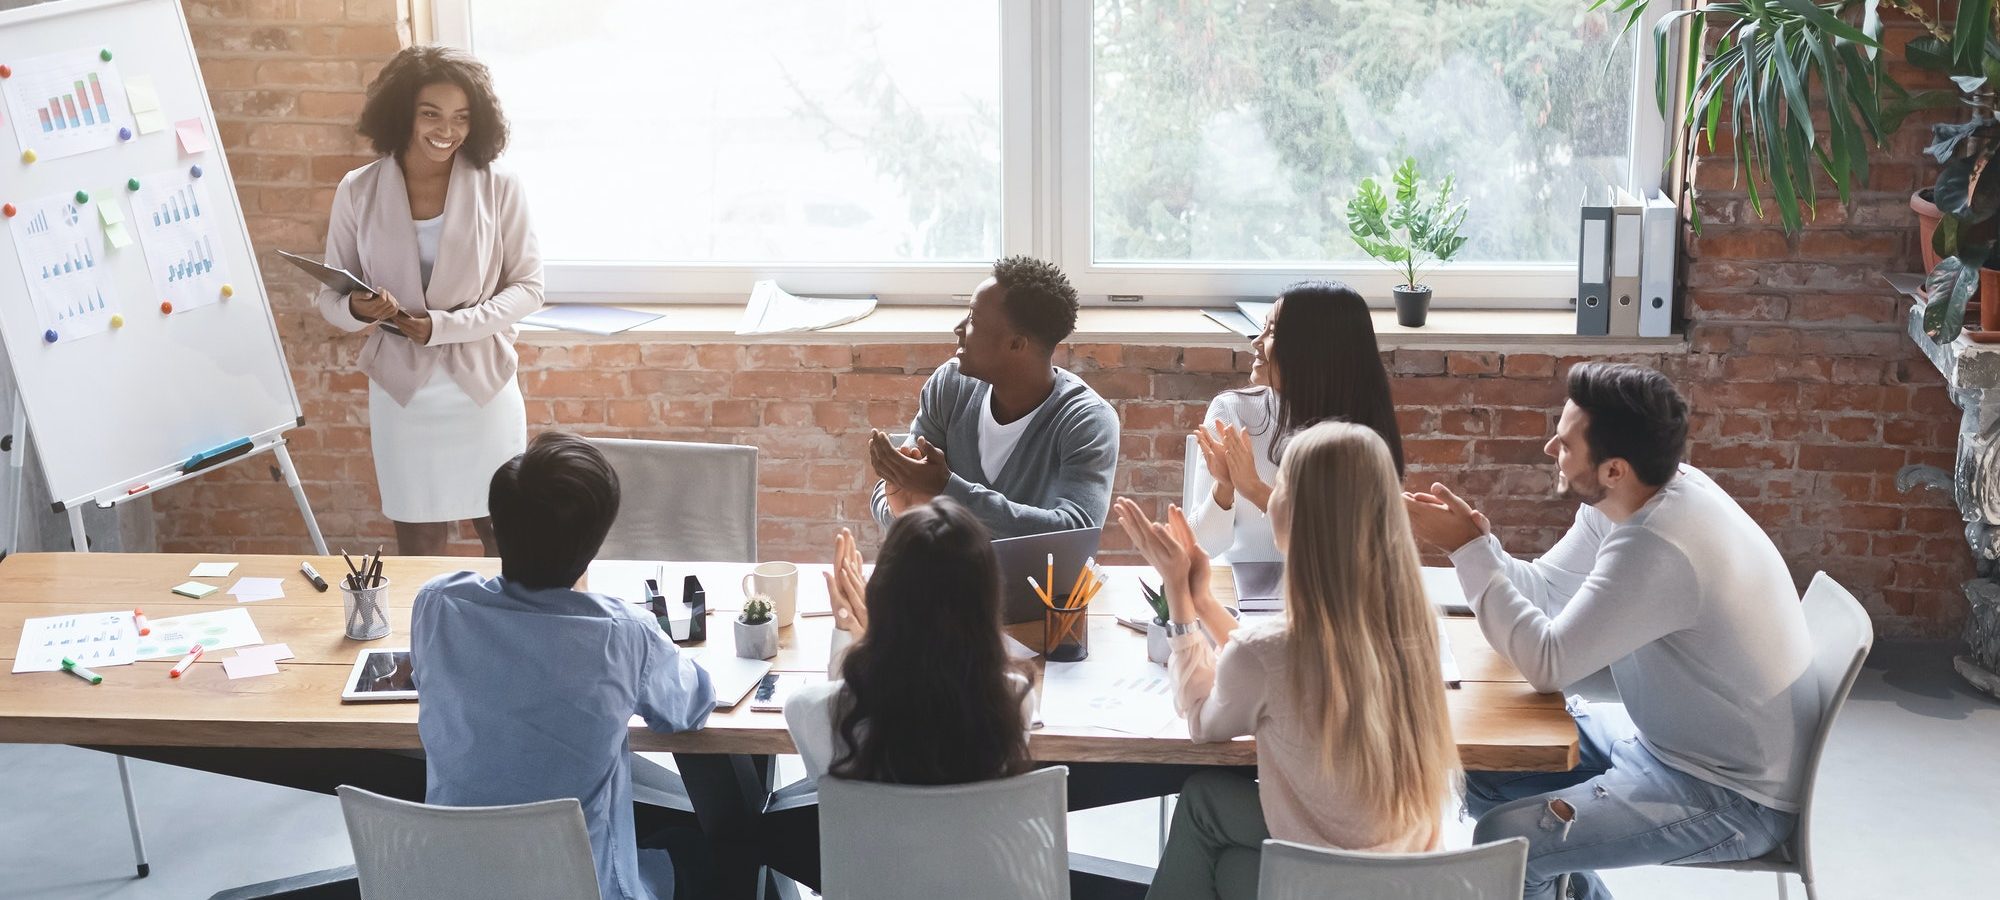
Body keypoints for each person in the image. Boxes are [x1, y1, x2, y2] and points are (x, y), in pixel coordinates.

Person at [1404, 363, 1814, 900]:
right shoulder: (1636, 496)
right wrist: (1485, 549)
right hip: (1668, 745)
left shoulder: (1658, 546)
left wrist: (1465, 552)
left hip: (1729, 794)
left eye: (1567, 443)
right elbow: (1549, 589)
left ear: (1613, 469)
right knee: (1483, 773)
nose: (1551, 446)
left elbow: (1548, 664)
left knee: (1509, 844)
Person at [1119, 421, 1458, 900]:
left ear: (1300, 516)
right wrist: (1207, 603)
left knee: (1202, 800)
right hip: (1398, 875)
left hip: (1323, 875)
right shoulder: (1413, 626)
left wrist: (1178, 597)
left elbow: (1202, 718)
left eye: (1281, 485)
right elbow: (1281, 666)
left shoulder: (1269, 653)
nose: (1270, 495)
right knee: (1230, 854)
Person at [412, 431, 713, 900]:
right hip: (581, 888)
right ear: (594, 543)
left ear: (492, 526)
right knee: (698, 844)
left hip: (455, 884)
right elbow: (692, 708)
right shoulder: (624, 635)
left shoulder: (436, 604)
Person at [315, 45, 543, 557]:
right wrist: (357, 309)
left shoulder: (500, 186)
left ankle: (503, 634)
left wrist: (441, 327)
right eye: (431, 114)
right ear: (403, 113)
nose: (447, 130)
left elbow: (529, 288)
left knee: (503, 532)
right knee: (418, 538)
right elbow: (329, 296)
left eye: (462, 118)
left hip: (481, 386)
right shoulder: (358, 190)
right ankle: (432, 635)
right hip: (403, 392)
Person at [785, 498, 1034, 783]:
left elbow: (833, 725)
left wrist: (854, 636)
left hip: (868, 829)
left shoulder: (804, 709)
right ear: (988, 604)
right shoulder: (1015, 700)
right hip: (964, 829)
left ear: (880, 593)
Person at [868, 256, 1118, 539]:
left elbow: (1075, 533)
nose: (959, 328)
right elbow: (893, 495)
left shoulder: (1086, 420)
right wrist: (901, 504)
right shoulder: (949, 386)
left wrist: (946, 490)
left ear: (1016, 344)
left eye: (973, 319)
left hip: (1037, 584)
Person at [1187, 281, 1403, 563]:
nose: (1256, 341)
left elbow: (1348, 551)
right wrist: (1224, 488)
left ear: (1317, 348)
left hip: (1333, 599)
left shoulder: (1358, 438)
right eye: (1263, 327)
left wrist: (1254, 489)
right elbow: (1200, 548)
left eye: (1273, 332)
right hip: (1243, 598)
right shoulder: (1232, 411)